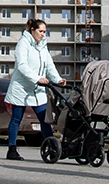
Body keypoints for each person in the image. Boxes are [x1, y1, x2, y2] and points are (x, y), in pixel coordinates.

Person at [4, 18, 66, 161]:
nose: (43, 34)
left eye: (45, 32)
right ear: (32, 30)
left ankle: (53, 147)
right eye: (41, 31)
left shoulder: (43, 46)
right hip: (21, 87)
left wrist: (58, 79)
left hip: (38, 89)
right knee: (16, 119)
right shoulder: (23, 43)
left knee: (45, 120)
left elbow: (49, 66)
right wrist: (37, 78)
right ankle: (12, 150)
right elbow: (22, 65)